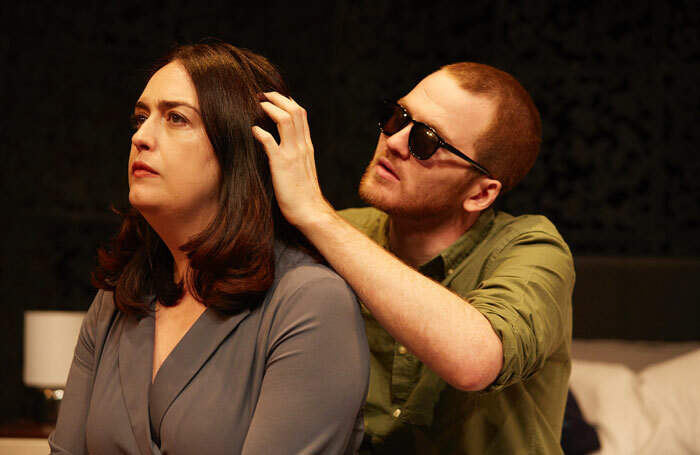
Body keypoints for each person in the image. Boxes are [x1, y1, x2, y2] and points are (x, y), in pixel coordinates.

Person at [49, 42, 370, 455]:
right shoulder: (118, 298)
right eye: (141, 117)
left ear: (239, 148)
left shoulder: (309, 302)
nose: (141, 137)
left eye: (176, 118)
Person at [252, 62, 574, 454]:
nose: (395, 141)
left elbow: (475, 361)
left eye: (426, 141)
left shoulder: (530, 247)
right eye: (397, 117)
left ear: (480, 194)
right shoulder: (341, 234)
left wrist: (316, 216)